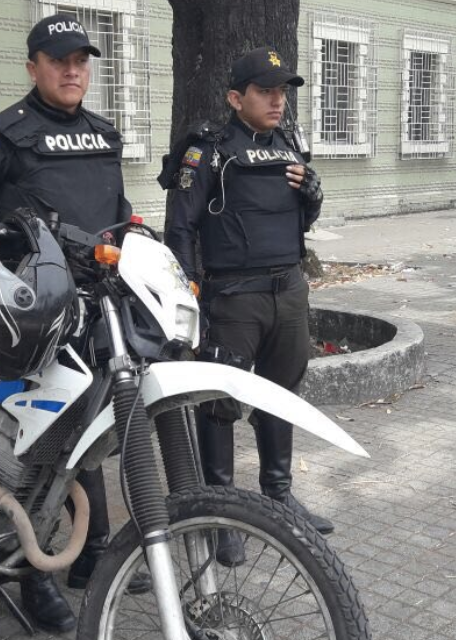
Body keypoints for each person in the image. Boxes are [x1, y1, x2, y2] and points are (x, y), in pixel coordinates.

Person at [0, 13, 135, 634]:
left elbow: (120, 219)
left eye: (82, 59)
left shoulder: (103, 135)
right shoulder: (1, 137)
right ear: (33, 67)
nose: (73, 70)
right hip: (30, 315)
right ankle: (29, 573)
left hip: (99, 306)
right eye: (59, 60)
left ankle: (94, 551)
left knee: (96, 428)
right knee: (36, 442)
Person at [162, 47, 333, 566]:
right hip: (233, 298)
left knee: (282, 395)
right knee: (220, 404)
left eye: (282, 91)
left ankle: (278, 496)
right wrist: (188, 290)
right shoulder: (209, 149)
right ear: (236, 98)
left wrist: (314, 193)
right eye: (265, 91)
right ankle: (221, 516)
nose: (277, 100)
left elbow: (306, 217)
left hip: (288, 288)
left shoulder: (290, 142)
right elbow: (181, 227)